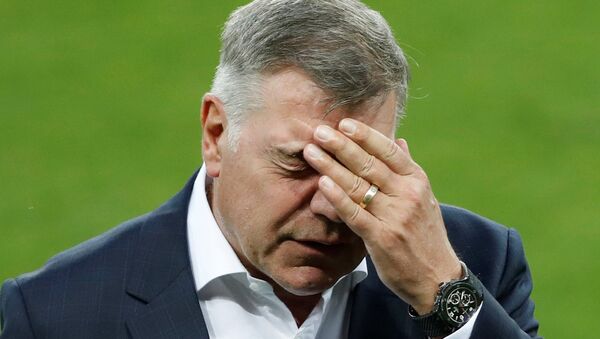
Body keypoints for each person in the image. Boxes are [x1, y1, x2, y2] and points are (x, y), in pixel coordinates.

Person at [0, 0, 541, 338]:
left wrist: (441, 292)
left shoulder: (477, 264)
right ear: (216, 135)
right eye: (297, 164)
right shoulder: (56, 314)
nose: (333, 204)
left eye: (360, 166)